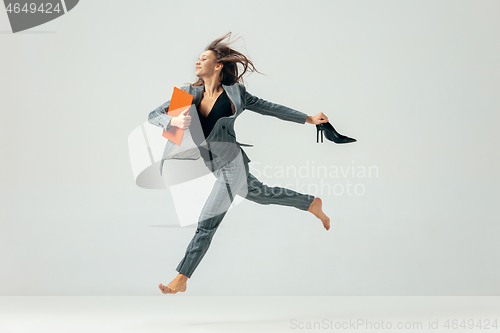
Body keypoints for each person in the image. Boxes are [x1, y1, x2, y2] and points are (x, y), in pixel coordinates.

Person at [151, 32, 331, 294]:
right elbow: (153, 115)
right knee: (261, 194)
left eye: (204, 58)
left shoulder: (236, 94)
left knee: (208, 220)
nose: (198, 62)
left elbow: (271, 108)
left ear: (218, 65)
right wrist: (172, 122)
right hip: (214, 165)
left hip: (233, 162)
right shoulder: (187, 94)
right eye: (198, 59)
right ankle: (311, 203)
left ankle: (182, 277)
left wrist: (309, 119)